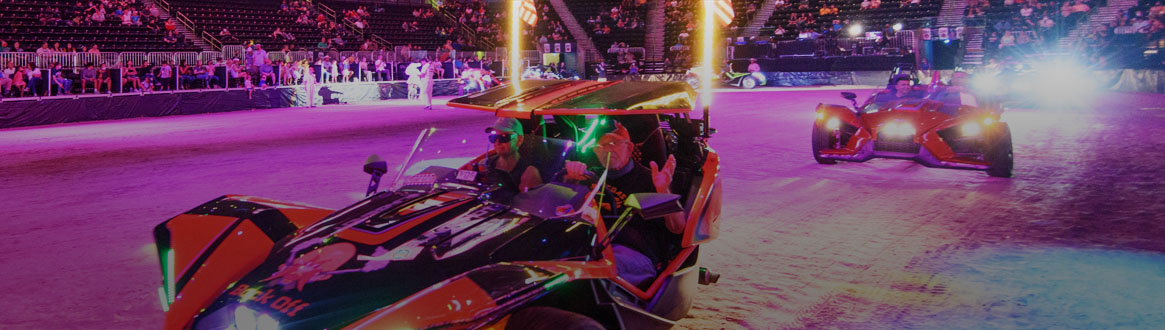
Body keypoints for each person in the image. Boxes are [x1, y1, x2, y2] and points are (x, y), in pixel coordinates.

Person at [561, 122, 682, 288]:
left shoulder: (652, 178)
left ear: (630, 148)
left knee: (589, 274)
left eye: (614, 143)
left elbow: (678, 228)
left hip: (635, 252)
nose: (608, 149)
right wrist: (570, 178)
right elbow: (559, 206)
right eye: (601, 145)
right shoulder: (589, 175)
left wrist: (663, 190)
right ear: (595, 151)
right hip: (591, 247)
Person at [478, 118, 546, 197]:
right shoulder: (485, 164)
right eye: (494, 137)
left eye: (504, 137)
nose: (497, 142)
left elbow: (528, 204)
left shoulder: (529, 173)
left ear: (519, 140)